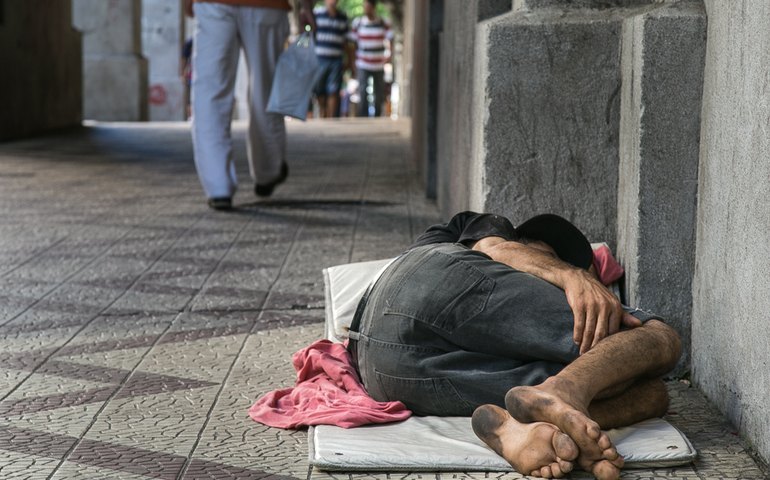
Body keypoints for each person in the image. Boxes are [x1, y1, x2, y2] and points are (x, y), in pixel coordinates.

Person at [347, 211, 682, 480]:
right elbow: (497, 249)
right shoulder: (484, 230)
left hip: (382, 374)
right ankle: (563, 391)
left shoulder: (507, 335)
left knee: (651, 394)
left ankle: (531, 428)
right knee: (658, 336)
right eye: (549, 259)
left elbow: (624, 376)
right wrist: (570, 276)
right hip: (418, 285)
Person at [184, 0, 315, 211]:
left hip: (213, 4)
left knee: (210, 91)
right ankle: (268, 170)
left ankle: (218, 186)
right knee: (265, 88)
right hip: (266, 6)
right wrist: (305, 6)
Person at [348, 0, 392, 117]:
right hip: (362, 63)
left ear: (373, 7)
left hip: (378, 64)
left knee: (379, 92)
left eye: (367, 6)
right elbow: (352, 44)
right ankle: (363, 117)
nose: (365, 9)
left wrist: (389, 55)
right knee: (362, 91)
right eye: (364, 6)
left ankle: (376, 116)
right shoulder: (358, 23)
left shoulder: (383, 22)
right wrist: (352, 62)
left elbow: (390, 38)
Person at [312, 0, 352, 118]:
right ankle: (322, 113)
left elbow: (346, 42)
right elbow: (309, 34)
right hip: (319, 59)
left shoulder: (342, 17)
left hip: (336, 60)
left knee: (333, 90)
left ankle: (330, 118)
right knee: (319, 90)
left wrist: (349, 60)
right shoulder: (316, 14)